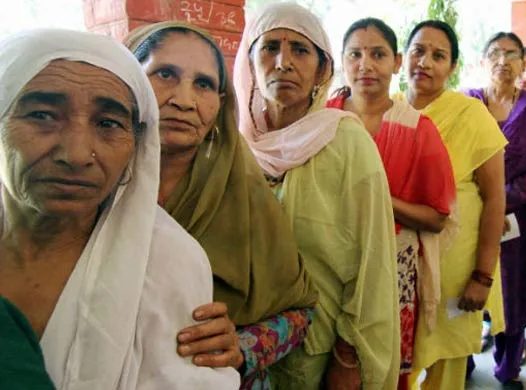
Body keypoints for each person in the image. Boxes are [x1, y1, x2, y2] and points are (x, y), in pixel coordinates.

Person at [0, 29, 239, 389]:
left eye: (108, 124)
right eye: (43, 115)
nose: (77, 155)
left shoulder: (169, 262)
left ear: (137, 144)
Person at [125, 22, 318, 388]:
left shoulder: (241, 192)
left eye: (203, 84)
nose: (184, 100)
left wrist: (243, 345)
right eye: (164, 74)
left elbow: (302, 310)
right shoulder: (88, 184)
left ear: (220, 102)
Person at [234, 3, 400, 388]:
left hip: (316, 351)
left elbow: (372, 260)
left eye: (301, 50)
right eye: (270, 47)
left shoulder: (346, 141)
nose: (283, 62)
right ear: (250, 62)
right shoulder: (235, 144)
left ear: (322, 69)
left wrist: (347, 357)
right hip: (238, 350)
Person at [327, 17, 457, 389]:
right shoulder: (322, 117)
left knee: (377, 369)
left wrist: (380, 199)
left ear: (397, 62)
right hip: (324, 260)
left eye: (378, 54)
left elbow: (436, 218)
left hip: (389, 268)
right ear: (342, 59)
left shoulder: (418, 129)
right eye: (355, 54)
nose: (365, 65)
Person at [397, 20, 507, 390]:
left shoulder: (471, 115)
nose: (425, 62)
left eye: (438, 55)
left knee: (446, 363)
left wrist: (482, 276)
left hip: (455, 266)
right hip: (397, 263)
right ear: (403, 57)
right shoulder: (388, 108)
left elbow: (494, 200)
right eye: (418, 51)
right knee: (396, 356)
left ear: (452, 67)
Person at [465, 32, 526, 389]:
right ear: (483, 60)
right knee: (465, 289)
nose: (503, 60)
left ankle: (507, 369)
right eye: (495, 53)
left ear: (523, 62)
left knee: (512, 296)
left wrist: (499, 198)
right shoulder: (468, 104)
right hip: (469, 217)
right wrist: (478, 201)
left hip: (516, 223)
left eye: (511, 54)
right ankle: (463, 361)